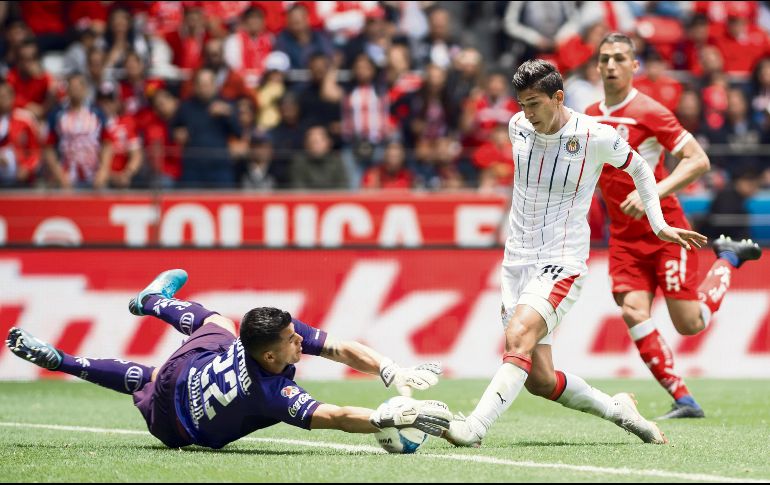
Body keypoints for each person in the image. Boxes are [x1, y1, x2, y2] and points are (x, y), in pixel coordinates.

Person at [445, 59, 708, 448]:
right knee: (540, 379)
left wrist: (658, 223)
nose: (527, 113)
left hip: (562, 260)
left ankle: (473, 429)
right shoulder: (517, 127)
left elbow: (640, 169)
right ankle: (618, 409)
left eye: (534, 103)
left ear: (558, 97)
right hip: (516, 262)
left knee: (517, 337)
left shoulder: (594, 135)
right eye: (522, 104)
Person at [5, 269, 452, 449]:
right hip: (173, 430)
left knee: (204, 333)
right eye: (294, 341)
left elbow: (337, 346)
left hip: (185, 378)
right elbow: (334, 415)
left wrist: (391, 370)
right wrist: (382, 418)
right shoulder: (272, 393)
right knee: (161, 366)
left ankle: (142, 308)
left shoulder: (262, 345)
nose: (303, 343)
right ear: (271, 354)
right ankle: (75, 351)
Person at [584, 33, 763, 420]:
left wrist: (651, 194)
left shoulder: (650, 111)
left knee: (690, 323)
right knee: (633, 311)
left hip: (666, 230)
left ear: (635, 66)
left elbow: (698, 160)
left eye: (619, 58)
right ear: (596, 67)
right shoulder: (588, 117)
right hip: (623, 237)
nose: (611, 65)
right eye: (604, 59)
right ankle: (684, 398)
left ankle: (728, 258)